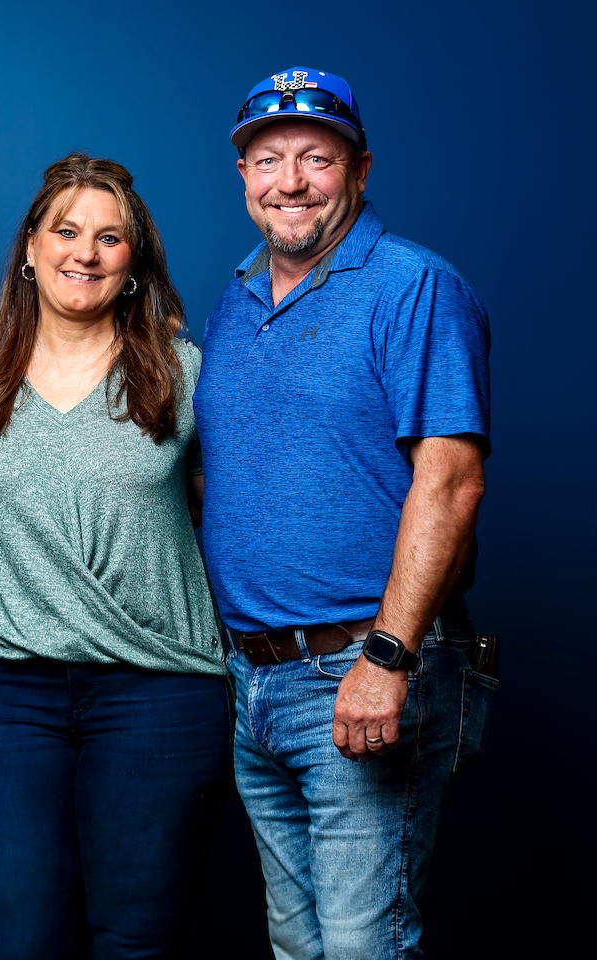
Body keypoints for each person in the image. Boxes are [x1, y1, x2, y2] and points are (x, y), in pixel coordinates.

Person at [193, 67, 496, 959]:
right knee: (299, 946)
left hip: (360, 673)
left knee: (364, 948)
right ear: (244, 176)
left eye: (316, 159)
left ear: (360, 170)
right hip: (254, 685)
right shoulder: (235, 298)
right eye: (269, 159)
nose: (290, 181)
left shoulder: (415, 287)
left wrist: (387, 658)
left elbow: (451, 482)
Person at [0, 153, 229, 959]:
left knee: (134, 943)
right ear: (31, 248)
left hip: (159, 692)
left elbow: (238, 516)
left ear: (134, 264)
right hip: (6, 695)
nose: (86, 251)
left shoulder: (184, 374)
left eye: (111, 239)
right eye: (67, 231)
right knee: (15, 941)